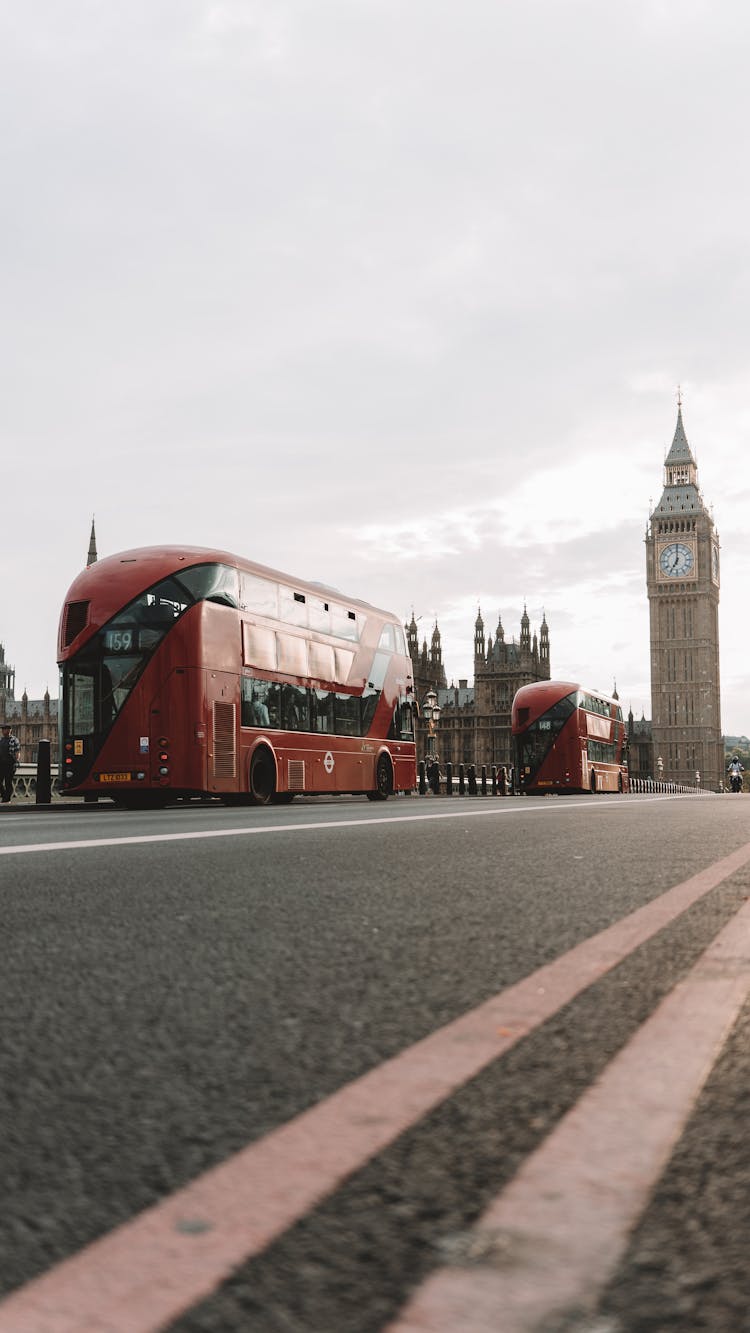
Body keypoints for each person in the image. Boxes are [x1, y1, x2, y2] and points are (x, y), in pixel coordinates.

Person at [0, 723, 20, 803]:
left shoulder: (14, 740)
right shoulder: (1, 740)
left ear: (9, 730)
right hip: (1, 764)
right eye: (2, 729)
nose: (2, 731)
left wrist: (16, 761)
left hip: (10, 764)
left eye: (4, 729)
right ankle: (5, 795)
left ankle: (6, 799)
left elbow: (17, 752)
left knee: (8, 782)